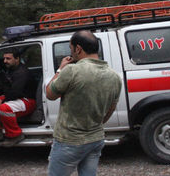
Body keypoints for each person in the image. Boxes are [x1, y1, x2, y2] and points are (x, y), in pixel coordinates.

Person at [46, 30, 122, 176]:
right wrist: (95, 124)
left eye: (71, 48)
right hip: (96, 139)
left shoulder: (71, 71)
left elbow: (50, 94)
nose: (71, 52)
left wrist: (60, 69)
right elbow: (110, 110)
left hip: (69, 140)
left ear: (78, 49)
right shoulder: (114, 77)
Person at [0, 48, 37, 147]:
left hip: (27, 100)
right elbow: (6, 86)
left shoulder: (22, 72)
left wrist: (2, 102)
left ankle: (15, 135)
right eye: (4, 58)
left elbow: (15, 92)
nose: (5, 61)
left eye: (8, 58)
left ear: (17, 59)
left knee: (4, 108)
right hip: (14, 96)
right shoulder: (11, 69)